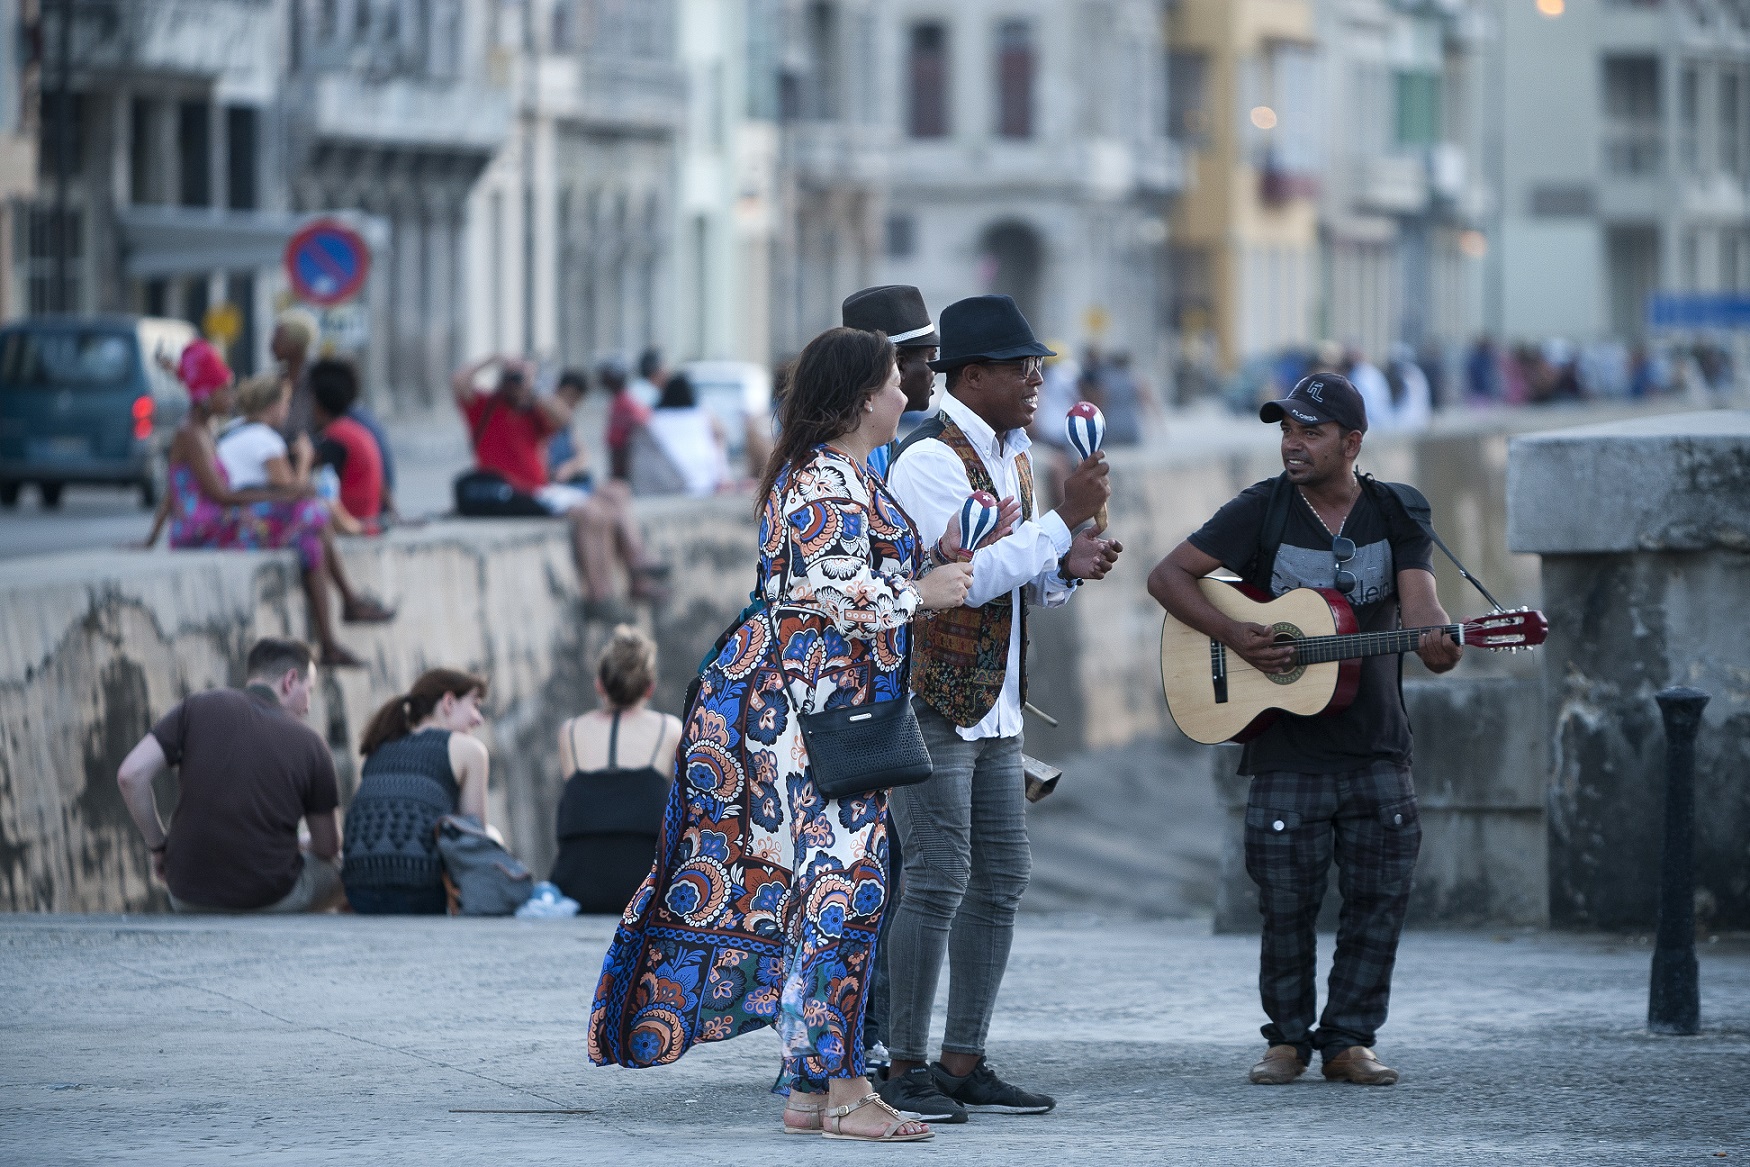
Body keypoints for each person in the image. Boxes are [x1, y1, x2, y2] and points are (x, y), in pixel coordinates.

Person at [589, 326, 979, 1143]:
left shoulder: (836, 473)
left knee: (824, 891)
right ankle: (846, 1091)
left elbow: (840, 577)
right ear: (864, 398)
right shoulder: (822, 481)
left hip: (813, 714)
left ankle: (810, 1088)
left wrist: (921, 564)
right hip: (806, 723)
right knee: (848, 889)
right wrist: (925, 592)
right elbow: (837, 596)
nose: (906, 391)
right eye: (893, 380)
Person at [1145, 371, 1462, 1088]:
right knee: (1284, 905)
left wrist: (1441, 641)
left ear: (1352, 442)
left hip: (1377, 742)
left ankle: (1350, 1039)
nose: (1292, 443)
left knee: (1379, 900)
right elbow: (1168, 577)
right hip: (1284, 745)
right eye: (1286, 429)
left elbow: (1423, 609)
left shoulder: (1397, 509)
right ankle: (1286, 1039)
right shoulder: (1261, 509)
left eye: (1310, 432)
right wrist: (1237, 634)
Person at [880, 295, 1123, 1123]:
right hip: (934, 699)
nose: (1036, 380)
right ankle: (903, 1062)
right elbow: (966, 581)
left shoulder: (1012, 452)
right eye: (1022, 367)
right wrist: (1062, 521)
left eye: (1038, 366)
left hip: (996, 702)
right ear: (972, 376)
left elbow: (1023, 585)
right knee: (937, 874)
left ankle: (962, 1058)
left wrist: (1067, 565)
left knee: (1003, 875)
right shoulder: (928, 460)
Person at [159, 340, 380, 667]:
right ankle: (347, 605)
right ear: (206, 395)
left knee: (310, 537)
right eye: (224, 391)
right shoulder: (191, 433)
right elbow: (221, 496)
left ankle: (331, 641)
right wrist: (280, 495)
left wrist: (151, 538)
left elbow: (171, 494)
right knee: (312, 512)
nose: (230, 398)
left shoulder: (206, 430)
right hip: (204, 530)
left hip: (211, 523)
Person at [114, 638, 345, 913]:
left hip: (187, 897)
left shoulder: (197, 706)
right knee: (349, 870)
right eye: (309, 690)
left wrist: (158, 846)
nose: (308, 706)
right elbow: (328, 847)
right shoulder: (310, 743)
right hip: (272, 897)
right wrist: (302, 843)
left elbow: (130, 775)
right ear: (290, 680)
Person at [452, 354, 666, 610]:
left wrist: (533, 388)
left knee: (612, 500)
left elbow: (564, 418)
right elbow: (459, 381)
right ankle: (599, 595)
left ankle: (626, 575)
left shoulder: (535, 411)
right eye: (513, 378)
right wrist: (495, 360)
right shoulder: (483, 406)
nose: (516, 383)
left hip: (541, 489)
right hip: (510, 493)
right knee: (591, 513)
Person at [550, 626, 682, 914]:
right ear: (650, 687)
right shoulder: (670, 729)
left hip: (577, 884)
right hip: (646, 887)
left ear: (599, 685)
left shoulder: (570, 732)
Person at [342, 669, 492, 915]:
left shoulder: (379, 748)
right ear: (449, 702)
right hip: (420, 894)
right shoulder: (469, 750)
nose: (479, 719)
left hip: (359, 892)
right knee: (491, 836)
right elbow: (474, 840)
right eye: (475, 705)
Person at [841, 285, 940, 479]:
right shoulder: (847, 449)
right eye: (930, 358)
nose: (935, 370)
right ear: (899, 366)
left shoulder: (883, 440)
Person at [309, 358, 386, 534]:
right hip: (368, 520)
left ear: (318, 405)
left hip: (353, 524)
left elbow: (326, 492)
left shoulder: (335, 437)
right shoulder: (354, 430)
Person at [635, 372, 729, 496]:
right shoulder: (702, 416)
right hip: (705, 485)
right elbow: (720, 436)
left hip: (665, 488)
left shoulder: (654, 419)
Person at [272, 306, 321, 441]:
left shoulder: (317, 379)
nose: (272, 345)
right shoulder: (277, 381)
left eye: (278, 339)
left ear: (295, 344)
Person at [601, 359, 652, 483]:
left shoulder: (625, 402)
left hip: (624, 458)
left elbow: (642, 420)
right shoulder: (620, 399)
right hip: (620, 456)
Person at [548, 369, 595, 488]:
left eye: (576, 400)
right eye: (569, 396)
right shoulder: (542, 416)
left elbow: (582, 453)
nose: (571, 403)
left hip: (568, 481)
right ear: (557, 390)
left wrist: (570, 467)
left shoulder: (568, 423)